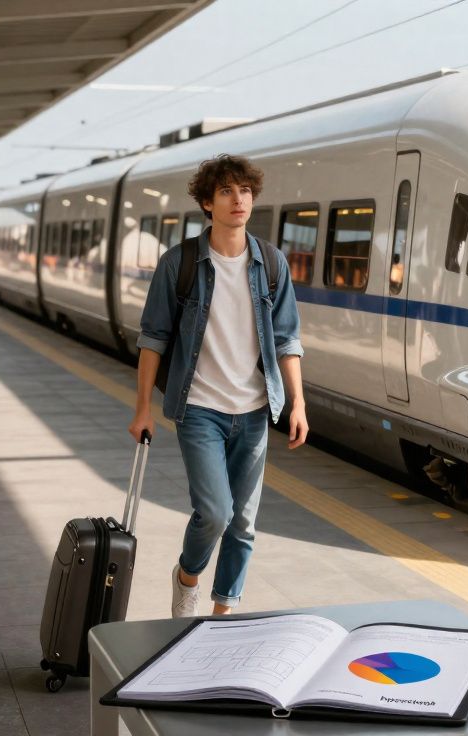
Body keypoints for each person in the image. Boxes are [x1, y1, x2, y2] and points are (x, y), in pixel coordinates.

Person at [128, 154, 308, 618]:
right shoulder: (180, 263)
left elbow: (287, 338)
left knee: (243, 523)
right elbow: (153, 338)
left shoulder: (270, 263)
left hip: (253, 411)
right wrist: (143, 408)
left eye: (244, 191)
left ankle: (221, 616)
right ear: (207, 202)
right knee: (216, 513)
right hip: (199, 408)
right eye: (226, 192)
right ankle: (187, 576)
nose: (238, 200)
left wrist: (297, 403)